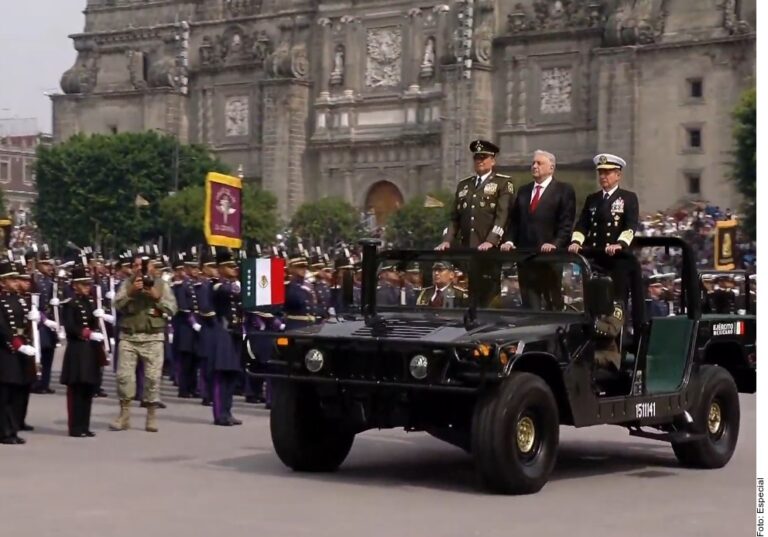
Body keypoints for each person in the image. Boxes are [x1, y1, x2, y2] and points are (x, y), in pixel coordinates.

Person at [110, 249, 177, 433]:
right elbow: (116, 304)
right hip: (129, 336)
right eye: (137, 266)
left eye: (145, 265)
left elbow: (172, 309)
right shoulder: (127, 284)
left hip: (153, 337)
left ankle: (151, 415)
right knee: (124, 377)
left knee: (153, 378)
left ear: (154, 268)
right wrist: (131, 292)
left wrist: (157, 297)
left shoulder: (162, 285)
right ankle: (124, 415)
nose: (140, 269)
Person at [502, 149, 576, 311]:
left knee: (552, 304)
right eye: (533, 163)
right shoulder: (523, 191)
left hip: (549, 259)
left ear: (551, 168)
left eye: (539, 163)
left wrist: (555, 244)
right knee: (529, 304)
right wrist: (509, 240)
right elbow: (515, 221)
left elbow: (566, 223)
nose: (534, 166)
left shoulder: (563, 190)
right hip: (526, 258)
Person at [568, 153, 639, 320]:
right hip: (595, 257)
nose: (603, 176)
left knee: (616, 301)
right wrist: (576, 241)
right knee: (594, 300)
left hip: (616, 259)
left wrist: (620, 244)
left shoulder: (628, 198)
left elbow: (630, 226)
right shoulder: (592, 199)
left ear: (618, 175)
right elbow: (582, 224)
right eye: (601, 173)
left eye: (607, 173)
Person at [436, 140, 514, 251]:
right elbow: (454, 218)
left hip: (491, 247)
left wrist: (491, 240)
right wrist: (447, 240)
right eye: (476, 158)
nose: (479, 161)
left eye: (483, 158)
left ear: (492, 161)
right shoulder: (464, 184)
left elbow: (502, 215)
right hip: (467, 247)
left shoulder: (503, 182)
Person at [60, 264, 105, 438]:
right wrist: (87, 333)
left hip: (91, 351)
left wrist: (99, 318)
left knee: (88, 389)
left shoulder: (91, 303)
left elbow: (94, 324)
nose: (88, 287)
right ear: (75, 285)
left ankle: (85, 425)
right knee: (76, 391)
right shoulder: (71, 304)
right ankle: (75, 426)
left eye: (89, 284)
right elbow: (71, 327)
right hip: (77, 350)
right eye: (84, 284)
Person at [0, 261, 35, 445]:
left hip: (21, 347)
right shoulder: (1, 300)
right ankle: (4, 431)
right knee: (5, 393)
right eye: (11, 279)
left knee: (16, 393)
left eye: (16, 279)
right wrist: (16, 344)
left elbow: (25, 325)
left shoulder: (20, 299)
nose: (15, 282)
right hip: (6, 350)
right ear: (2, 282)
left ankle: (12, 429)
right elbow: (2, 327)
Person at [209, 248, 244, 426]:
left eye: (234, 266)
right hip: (222, 332)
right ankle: (219, 413)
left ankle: (228, 411)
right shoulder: (218, 285)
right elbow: (224, 292)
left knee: (232, 374)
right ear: (221, 268)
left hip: (235, 332)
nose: (233, 269)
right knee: (222, 375)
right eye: (229, 266)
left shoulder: (236, 285)